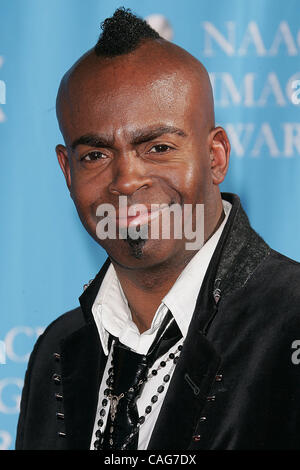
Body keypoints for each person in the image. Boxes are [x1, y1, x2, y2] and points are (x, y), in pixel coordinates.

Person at [16, 8, 300, 451]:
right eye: (95, 155)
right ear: (67, 171)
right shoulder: (57, 350)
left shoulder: (290, 322)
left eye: (159, 147)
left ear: (216, 157)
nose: (127, 181)